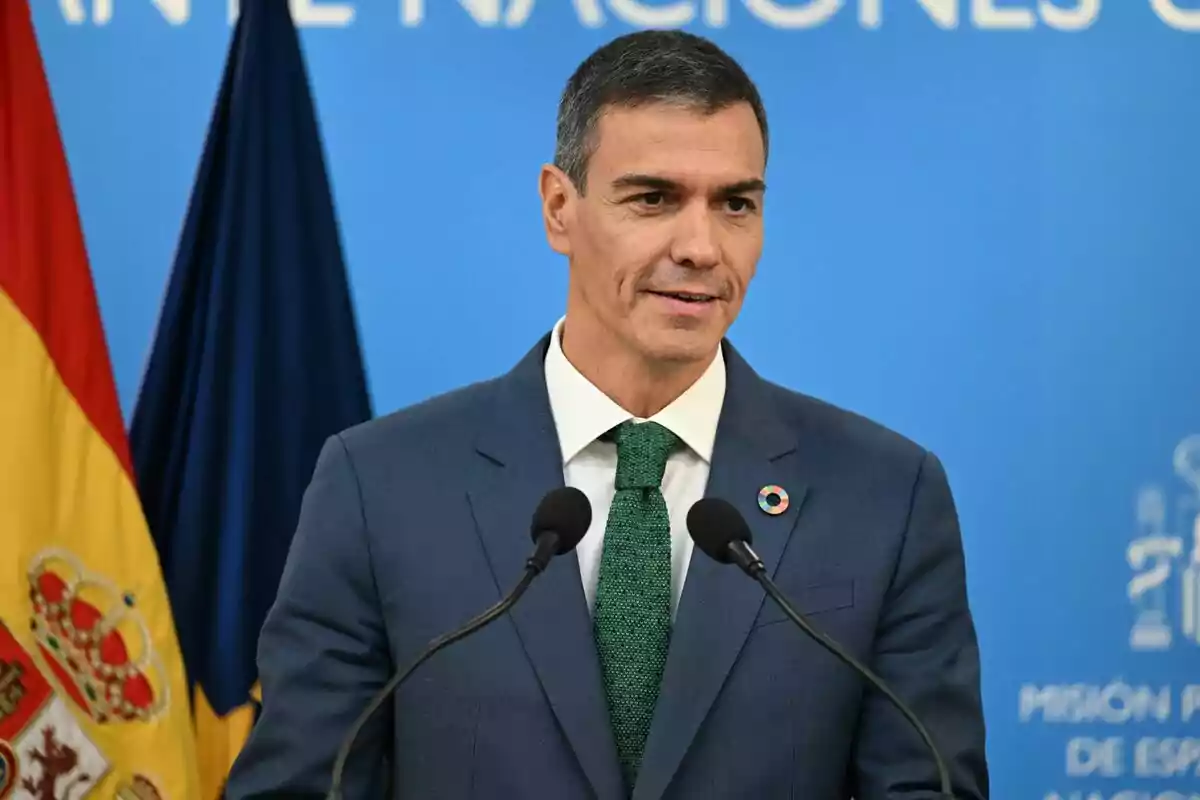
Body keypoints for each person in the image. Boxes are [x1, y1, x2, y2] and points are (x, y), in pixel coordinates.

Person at [225, 29, 989, 800]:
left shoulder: (884, 497)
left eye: (735, 204)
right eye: (653, 199)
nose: (701, 247)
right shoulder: (379, 486)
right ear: (560, 208)